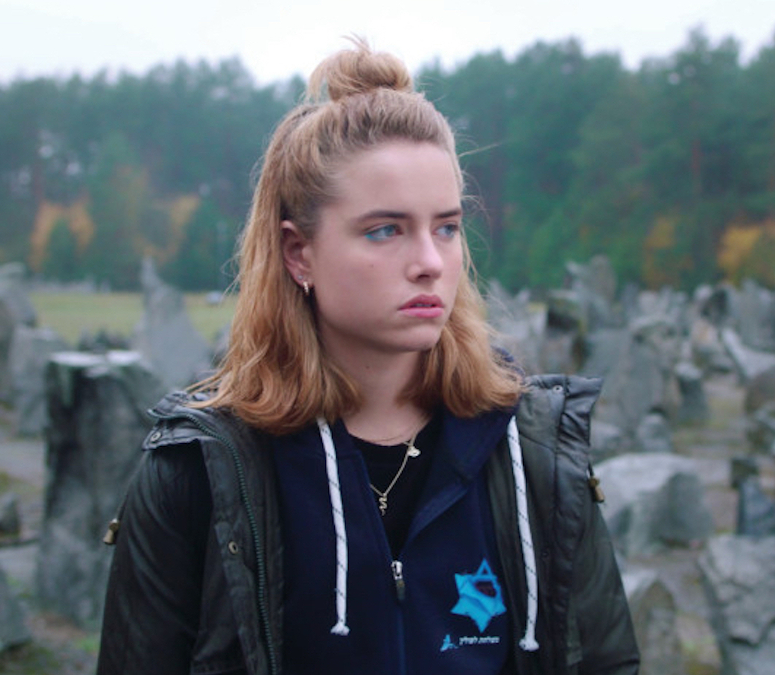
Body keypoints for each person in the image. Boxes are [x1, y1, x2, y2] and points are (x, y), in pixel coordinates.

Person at [97, 38, 639, 675]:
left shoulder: (533, 452)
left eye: (446, 227)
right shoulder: (201, 474)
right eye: (385, 230)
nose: (430, 263)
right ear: (299, 254)